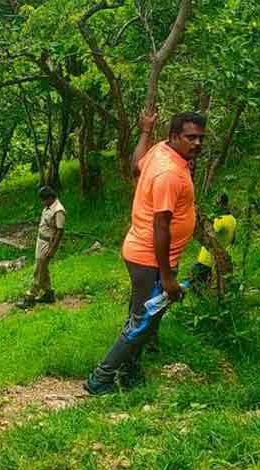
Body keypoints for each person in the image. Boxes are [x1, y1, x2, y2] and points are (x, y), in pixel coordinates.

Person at [85, 111, 206, 395]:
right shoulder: (169, 173)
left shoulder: (160, 151)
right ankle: (100, 379)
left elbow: (135, 165)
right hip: (150, 260)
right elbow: (160, 224)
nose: (197, 143)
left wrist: (144, 132)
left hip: (144, 254)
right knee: (141, 323)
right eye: (191, 137)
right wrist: (166, 277)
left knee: (144, 318)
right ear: (174, 136)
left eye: (201, 138)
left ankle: (130, 372)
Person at [17, 186, 66, 309]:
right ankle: (49, 293)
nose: (42, 203)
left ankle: (30, 297)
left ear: (50, 198)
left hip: (48, 243)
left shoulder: (58, 210)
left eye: (44, 200)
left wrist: (52, 249)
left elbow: (60, 232)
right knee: (43, 268)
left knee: (38, 270)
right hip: (41, 241)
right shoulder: (48, 207)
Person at [192, 193, 237, 285]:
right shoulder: (232, 219)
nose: (214, 206)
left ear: (221, 205)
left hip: (206, 259)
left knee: (193, 285)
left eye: (216, 203)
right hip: (217, 259)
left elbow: (207, 232)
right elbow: (233, 239)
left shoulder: (220, 220)